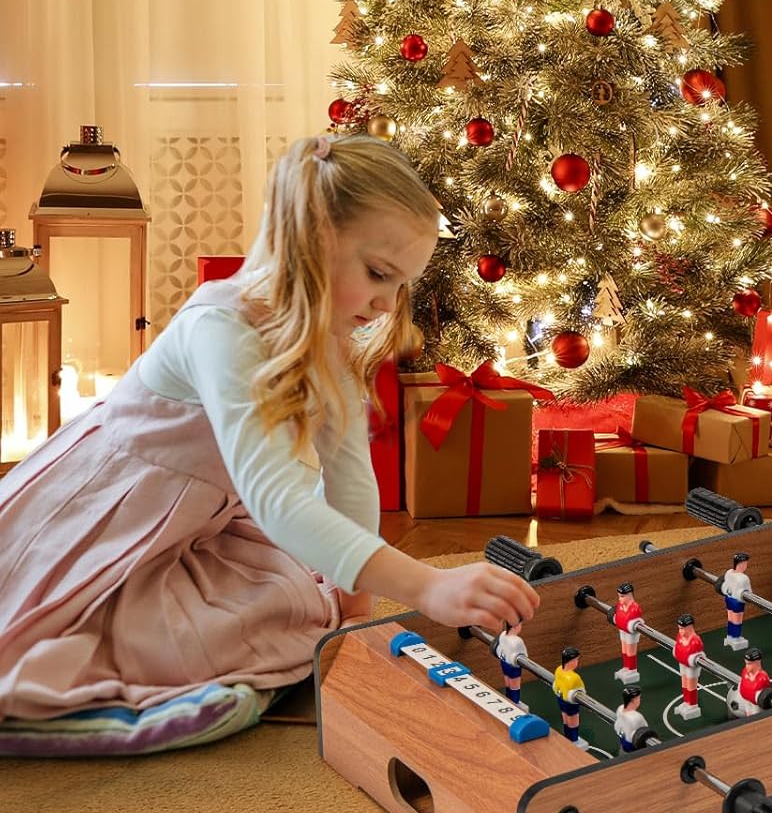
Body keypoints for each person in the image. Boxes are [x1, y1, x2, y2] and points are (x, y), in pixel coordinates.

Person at [0, 134, 541, 747]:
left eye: (400, 286)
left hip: (194, 522)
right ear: (311, 239)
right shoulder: (220, 327)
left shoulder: (327, 336)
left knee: (299, 607)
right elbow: (279, 501)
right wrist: (427, 585)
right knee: (142, 649)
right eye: (378, 275)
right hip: (102, 517)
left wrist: (355, 608)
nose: (387, 304)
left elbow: (349, 476)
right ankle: (86, 715)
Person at [552, 647, 588, 747]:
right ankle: (573, 740)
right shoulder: (574, 678)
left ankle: (568, 737)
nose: (577, 662)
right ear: (571, 661)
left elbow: (556, 684)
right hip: (570, 702)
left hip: (560, 698)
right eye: (576, 660)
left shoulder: (558, 669)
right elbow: (582, 691)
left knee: (565, 718)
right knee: (573, 721)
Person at [673, 613, 704, 719]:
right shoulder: (679, 637)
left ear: (690, 627)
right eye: (679, 628)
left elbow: (695, 653)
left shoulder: (695, 641)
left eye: (682, 628)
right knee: (684, 683)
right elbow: (677, 648)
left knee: (691, 685)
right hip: (682, 663)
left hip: (691, 666)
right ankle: (686, 702)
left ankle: (692, 705)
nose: (680, 631)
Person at [612, 582, 643, 686]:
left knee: (630, 651)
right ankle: (626, 667)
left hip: (631, 633)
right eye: (619, 596)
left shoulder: (634, 608)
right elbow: (619, 617)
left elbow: (626, 619)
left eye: (622, 596)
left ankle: (632, 669)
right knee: (624, 649)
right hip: (623, 630)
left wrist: (622, 620)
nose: (619, 599)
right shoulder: (620, 605)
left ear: (629, 595)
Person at [719, 551, 752, 650]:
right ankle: (736, 638)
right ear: (741, 564)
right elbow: (749, 592)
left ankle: (730, 636)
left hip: (728, 598)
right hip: (737, 601)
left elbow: (725, 585)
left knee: (730, 619)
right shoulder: (743, 578)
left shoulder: (729, 572)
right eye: (745, 563)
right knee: (737, 621)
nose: (746, 565)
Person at [495, 620, 529, 705]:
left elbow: (499, 647)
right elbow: (525, 655)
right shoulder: (517, 641)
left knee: (508, 684)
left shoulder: (503, 634)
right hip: (513, 666)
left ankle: (508, 701)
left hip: (504, 662)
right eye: (520, 625)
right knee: (515, 687)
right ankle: (515, 705)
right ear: (516, 626)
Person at [734, 647, 772, 716]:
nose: (746, 666)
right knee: (748, 715)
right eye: (746, 663)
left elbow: (763, 695)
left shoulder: (762, 678)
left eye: (749, 664)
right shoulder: (745, 671)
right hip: (747, 702)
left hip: (756, 706)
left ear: (757, 663)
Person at [613, 688, 651, 754]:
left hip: (623, 746)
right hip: (636, 751)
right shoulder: (637, 717)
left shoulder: (620, 709)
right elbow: (646, 731)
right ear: (634, 700)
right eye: (639, 698)